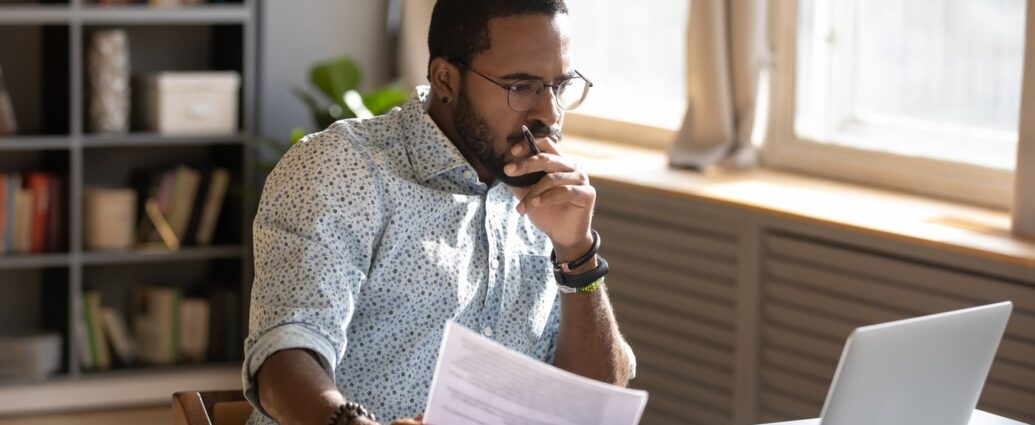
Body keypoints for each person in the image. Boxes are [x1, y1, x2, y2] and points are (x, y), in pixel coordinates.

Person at [243, 1, 634, 424]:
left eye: (559, 86)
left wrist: (577, 253)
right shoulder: (343, 168)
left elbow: (595, 407)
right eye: (521, 87)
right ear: (446, 78)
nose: (550, 114)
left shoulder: (549, 194)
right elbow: (284, 357)